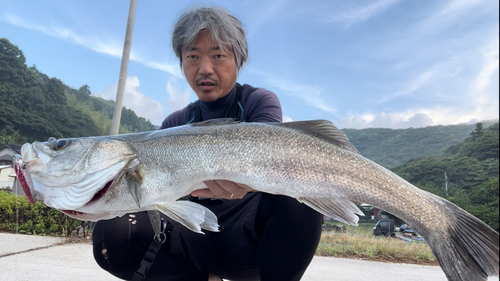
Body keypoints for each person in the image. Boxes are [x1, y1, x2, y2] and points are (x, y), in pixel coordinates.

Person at [92, 6, 323, 281]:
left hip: (248, 237)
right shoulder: (174, 124)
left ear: (238, 59)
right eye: (192, 56)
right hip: (193, 237)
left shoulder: (258, 102)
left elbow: (272, 157)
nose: (204, 69)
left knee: (303, 196)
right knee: (112, 230)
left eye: (218, 55)